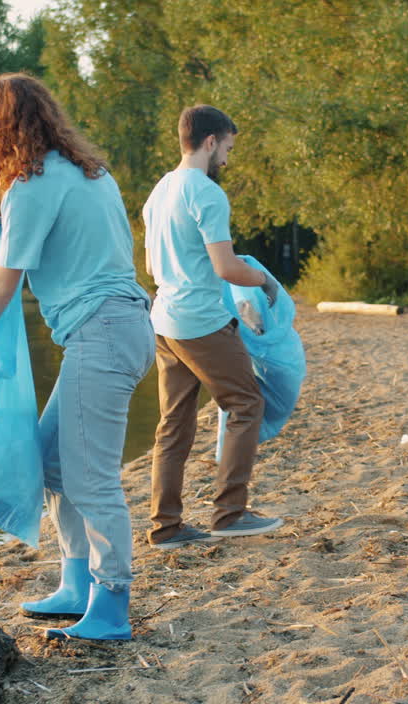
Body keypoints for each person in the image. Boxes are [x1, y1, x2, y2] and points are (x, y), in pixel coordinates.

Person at [0, 73, 153, 640]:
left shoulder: (33, 183)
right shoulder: (93, 174)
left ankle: (112, 607)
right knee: (50, 462)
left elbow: (2, 283)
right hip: (120, 329)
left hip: (104, 334)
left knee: (91, 480)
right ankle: (76, 584)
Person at [143, 104, 283, 550]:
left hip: (163, 318)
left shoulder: (160, 190)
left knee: (174, 423)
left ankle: (166, 527)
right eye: (227, 148)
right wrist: (265, 279)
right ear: (210, 141)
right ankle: (230, 513)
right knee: (245, 403)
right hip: (198, 321)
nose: (227, 158)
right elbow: (226, 267)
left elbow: (150, 264)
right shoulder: (204, 192)